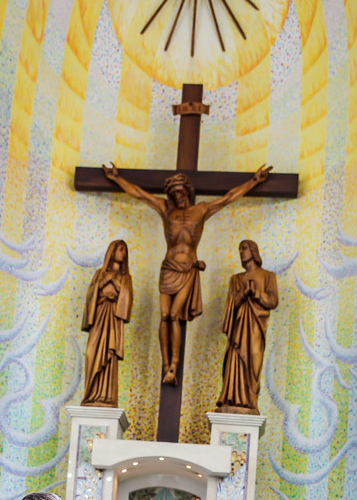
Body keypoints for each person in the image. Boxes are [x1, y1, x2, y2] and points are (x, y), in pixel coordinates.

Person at [102, 163, 270, 383]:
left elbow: (228, 197)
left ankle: (174, 365)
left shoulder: (200, 210)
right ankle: (165, 366)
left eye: (180, 192)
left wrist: (255, 181)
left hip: (188, 269)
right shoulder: (166, 209)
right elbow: (139, 193)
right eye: (174, 193)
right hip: (168, 268)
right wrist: (116, 178)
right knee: (164, 316)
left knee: (174, 315)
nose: (178, 196)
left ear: (188, 191)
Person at [216, 240, 278, 415]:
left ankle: (250, 401)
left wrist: (256, 293)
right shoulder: (235, 280)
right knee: (235, 359)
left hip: (256, 327)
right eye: (239, 249)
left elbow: (273, 301)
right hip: (238, 330)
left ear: (253, 251)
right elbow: (230, 307)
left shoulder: (267, 276)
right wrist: (243, 294)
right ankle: (231, 397)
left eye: (244, 248)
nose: (241, 252)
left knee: (253, 361)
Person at [80, 239, 133, 408]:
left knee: (109, 357)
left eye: (125, 251)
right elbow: (90, 297)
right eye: (120, 249)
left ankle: (106, 396)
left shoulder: (126, 278)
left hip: (113, 319)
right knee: (91, 353)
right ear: (112, 252)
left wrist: (115, 283)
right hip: (99, 317)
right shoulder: (99, 274)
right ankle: (90, 395)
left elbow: (127, 298)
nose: (123, 253)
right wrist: (105, 281)